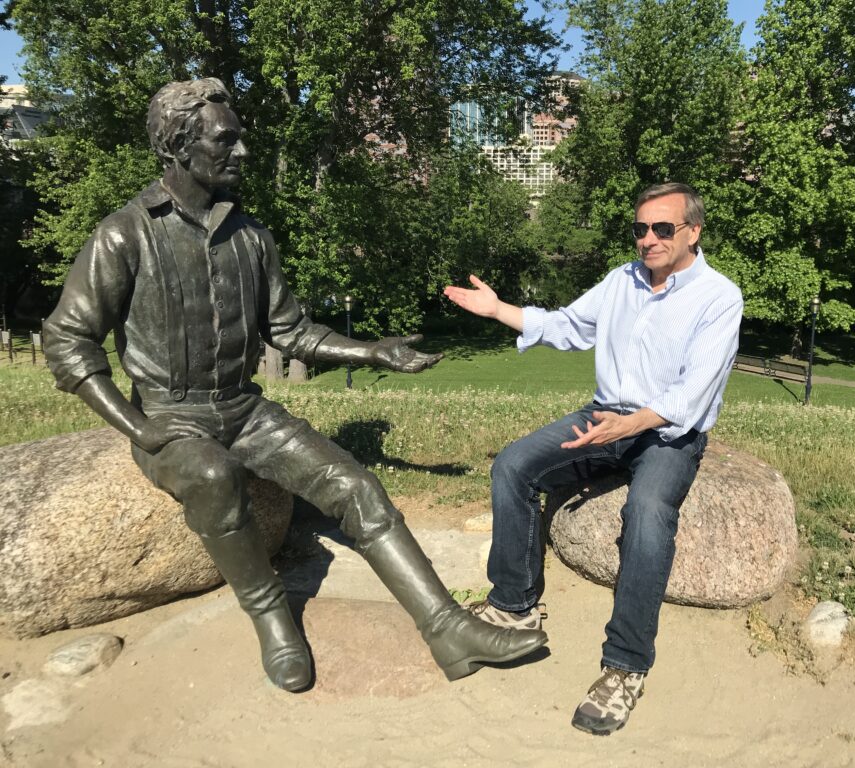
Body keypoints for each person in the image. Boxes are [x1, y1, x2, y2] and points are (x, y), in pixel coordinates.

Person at [43, 78, 546, 693]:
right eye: (225, 140)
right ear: (177, 146)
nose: (243, 151)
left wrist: (370, 351)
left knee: (355, 486)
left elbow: (291, 330)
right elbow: (67, 340)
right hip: (172, 419)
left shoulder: (250, 236)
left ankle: (448, 628)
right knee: (211, 476)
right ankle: (272, 617)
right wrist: (139, 426)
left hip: (245, 411)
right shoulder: (125, 235)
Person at [443, 182, 742, 734]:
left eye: (662, 229)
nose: (647, 239)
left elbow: (692, 395)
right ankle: (514, 604)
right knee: (512, 465)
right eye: (640, 229)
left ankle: (625, 666)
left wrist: (632, 424)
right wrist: (497, 309)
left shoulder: (719, 297)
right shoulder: (620, 281)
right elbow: (566, 326)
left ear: (693, 232)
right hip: (605, 415)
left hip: (668, 433)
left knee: (648, 514)